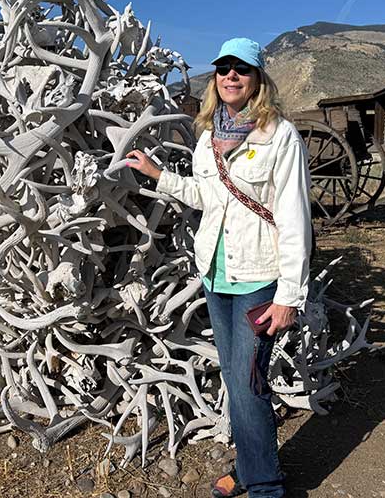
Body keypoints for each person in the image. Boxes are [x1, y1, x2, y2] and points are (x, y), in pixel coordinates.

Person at [127, 38, 312, 498]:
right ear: (215, 78)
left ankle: (265, 487)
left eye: (241, 69)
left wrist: (290, 295)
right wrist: (159, 175)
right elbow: (207, 198)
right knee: (235, 377)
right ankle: (251, 469)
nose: (231, 75)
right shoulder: (209, 137)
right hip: (216, 274)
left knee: (248, 384)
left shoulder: (279, 136)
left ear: (257, 79)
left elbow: (294, 218)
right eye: (223, 67)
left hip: (259, 279)